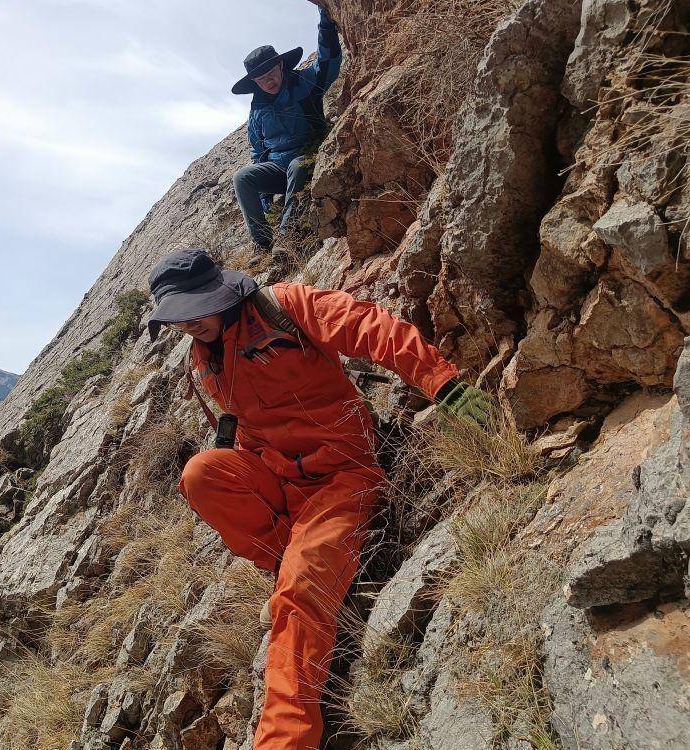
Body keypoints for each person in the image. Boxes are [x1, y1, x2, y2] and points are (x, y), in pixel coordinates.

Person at [146, 248, 490, 750]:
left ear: (219, 293)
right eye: (178, 316)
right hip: (276, 472)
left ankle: (284, 738)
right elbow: (235, 426)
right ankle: (299, 563)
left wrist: (441, 383)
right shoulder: (201, 356)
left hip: (340, 473)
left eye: (195, 309)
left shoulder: (282, 307)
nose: (188, 324)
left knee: (300, 590)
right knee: (202, 474)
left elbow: (370, 326)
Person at [231, 6, 342, 251]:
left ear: (281, 66)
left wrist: (326, 24)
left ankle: (287, 236)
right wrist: (264, 197)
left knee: (297, 165)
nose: (269, 81)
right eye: (262, 79)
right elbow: (258, 152)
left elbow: (328, 63)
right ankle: (263, 243)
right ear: (254, 83)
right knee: (242, 178)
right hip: (279, 170)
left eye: (272, 73)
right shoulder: (257, 112)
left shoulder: (304, 83)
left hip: (311, 158)